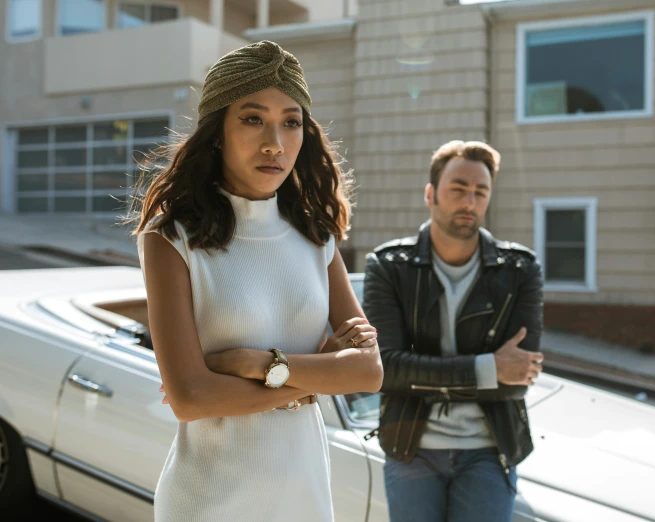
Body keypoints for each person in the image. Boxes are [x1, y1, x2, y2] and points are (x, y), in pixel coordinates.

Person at [132, 41, 383, 522]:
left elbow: (368, 372)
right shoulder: (171, 239)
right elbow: (190, 399)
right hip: (208, 500)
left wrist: (261, 364)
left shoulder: (317, 235)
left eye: (291, 122)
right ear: (217, 132)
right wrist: (312, 379)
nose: (276, 142)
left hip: (304, 497)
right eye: (253, 118)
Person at [363, 140, 544, 522]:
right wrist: (487, 368)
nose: (469, 201)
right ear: (431, 194)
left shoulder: (519, 270)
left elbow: (517, 377)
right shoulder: (389, 266)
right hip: (411, 447)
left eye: (480, 192)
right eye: (458, 189)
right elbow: (386, 370)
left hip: (490, 451)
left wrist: (425, 373)